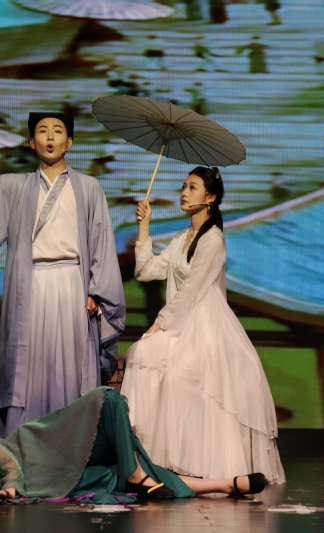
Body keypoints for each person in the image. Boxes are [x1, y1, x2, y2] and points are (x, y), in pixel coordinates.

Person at [0, 107, 125, 438]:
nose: (50, 137)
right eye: (42, 131)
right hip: (29, 288)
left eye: (58, 131)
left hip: (72, 285)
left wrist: (97, 292)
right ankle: (22, 448)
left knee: (70, 370)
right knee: (27, 371)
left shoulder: (89, 188)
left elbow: (101, 242)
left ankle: (73, 446)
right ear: (32, 142)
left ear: (69, 142)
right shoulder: (14, 186)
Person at [121, 167, 285, 484]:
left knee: (179, 378)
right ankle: (146, 459)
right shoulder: (181, 238)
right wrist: (144, 227)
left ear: (209, 198)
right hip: (181, 321)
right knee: (141, 355)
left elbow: (192, 289)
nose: (184, 192)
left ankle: (198, 464)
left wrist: (159, 324)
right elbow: (146, 271)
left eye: (192, 188)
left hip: (204, 324)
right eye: (184, 186)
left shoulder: (213, 240)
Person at [0, 387, 267, 503]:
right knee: (116, 474)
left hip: (37, 452)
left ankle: (136, 473)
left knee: (107, 399)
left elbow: (6, 461)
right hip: (45, 485)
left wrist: (11, 488)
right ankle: (222, 485)